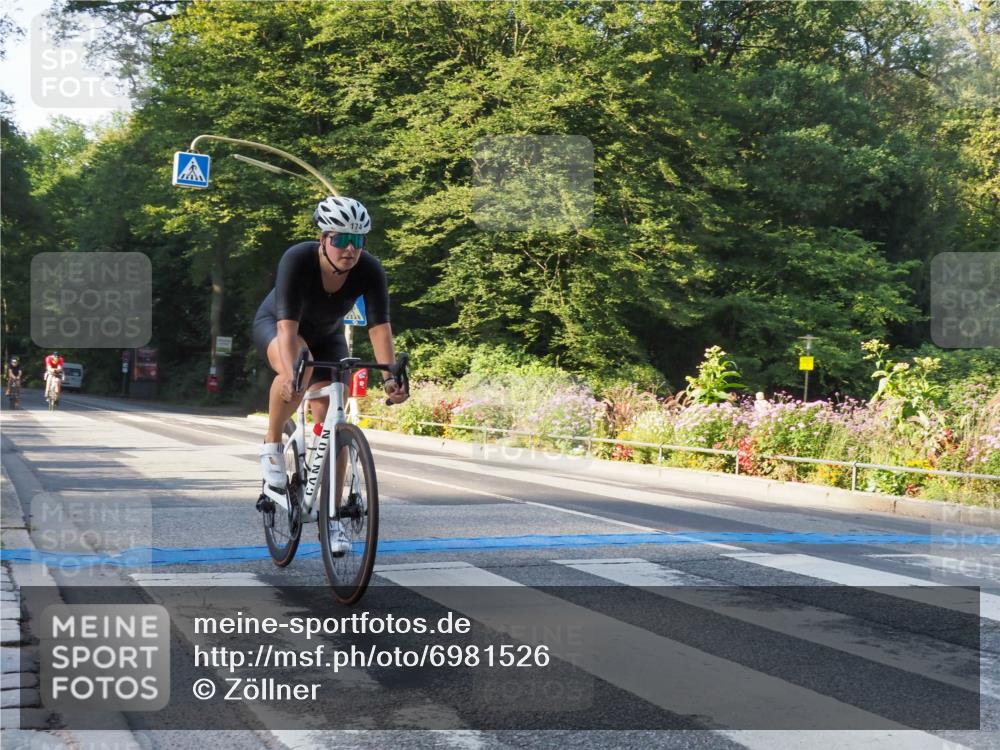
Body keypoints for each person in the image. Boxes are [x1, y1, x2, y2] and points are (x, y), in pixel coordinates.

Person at [252, 196, 408, 553]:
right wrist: (294, 373)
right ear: (323, 238)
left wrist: (389, 378)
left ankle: (332, 517)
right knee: (297, 372)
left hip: (329, 336)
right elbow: (287, 326)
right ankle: (272, 443)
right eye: (340, 239)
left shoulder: (370, 269)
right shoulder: (297, 259)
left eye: (357, 241)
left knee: (332, 423)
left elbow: (379, 327)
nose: (349, 249)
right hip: (279, 327)